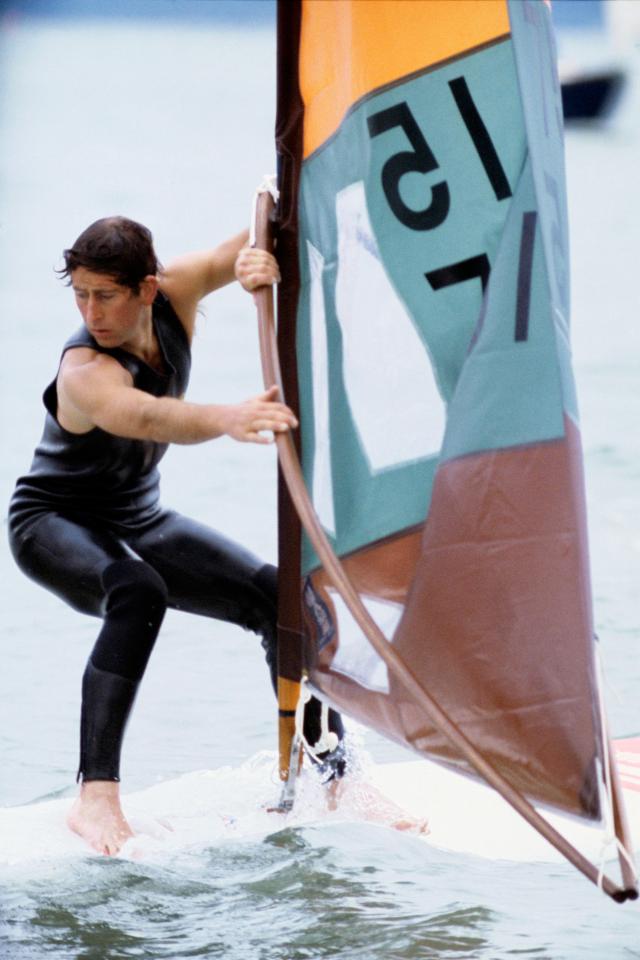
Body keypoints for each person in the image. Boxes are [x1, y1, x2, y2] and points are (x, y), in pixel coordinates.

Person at [7, 216, 345, 856]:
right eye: (80, 294)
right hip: (52, 522)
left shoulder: (178, 291)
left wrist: (254, 259)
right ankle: (96, 798)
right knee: (138, 589)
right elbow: (145, 415)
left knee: (280, 598)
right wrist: (229, 416)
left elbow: (259, 224)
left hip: (138, 515)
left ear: (149, 288)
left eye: (105, 294)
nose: (91, 311)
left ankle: (331, 777)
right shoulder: (85, 371)